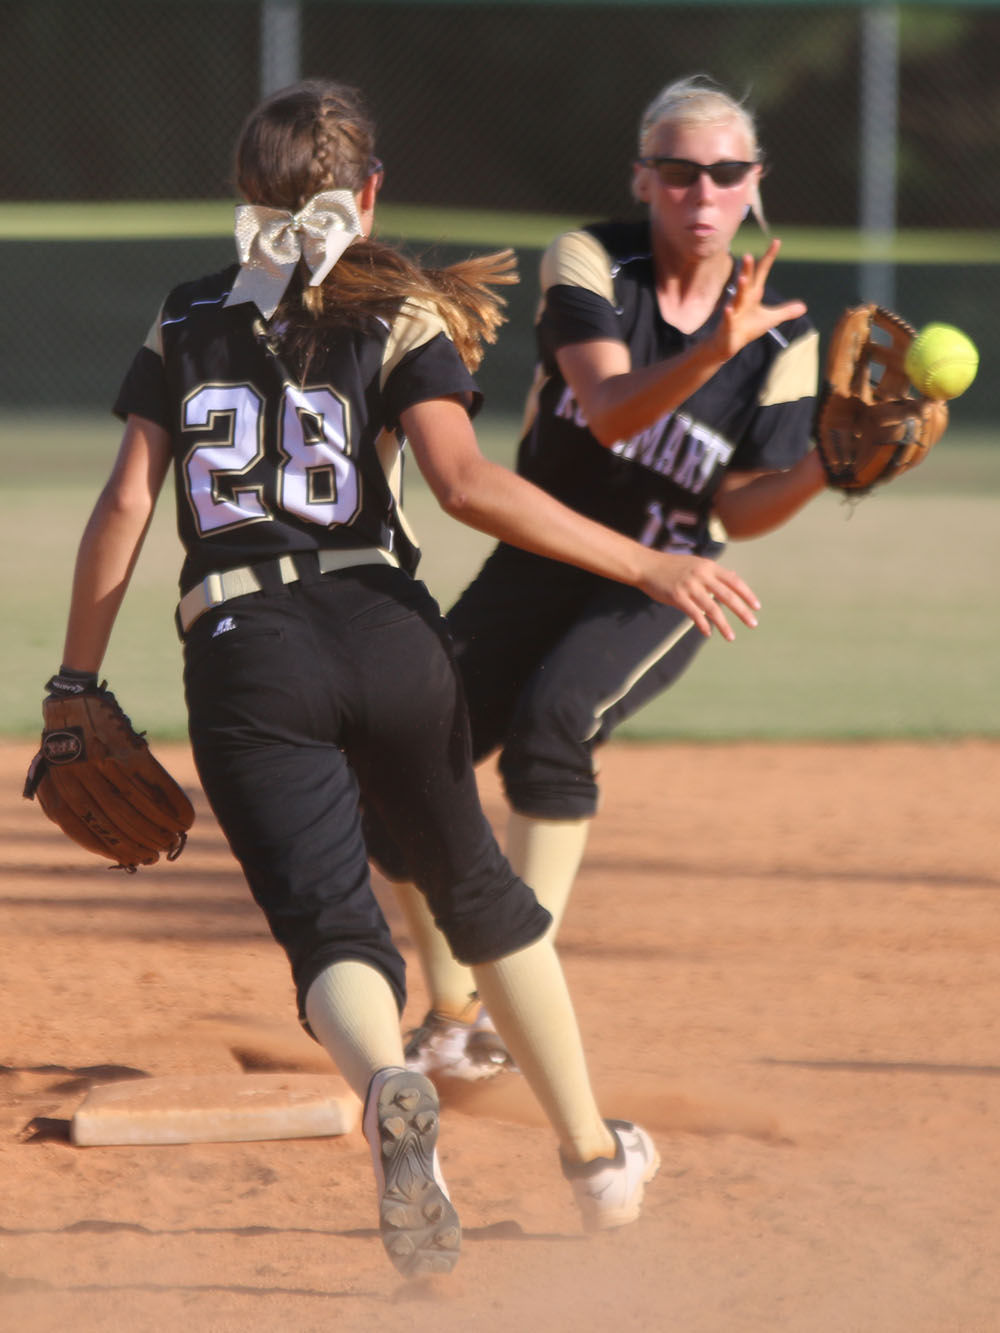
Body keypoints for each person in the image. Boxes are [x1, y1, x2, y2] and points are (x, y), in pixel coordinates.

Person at [48, 79, 772, 1278]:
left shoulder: (185, 316)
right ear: (369, 192)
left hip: (244, 651)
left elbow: (128, 502)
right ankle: (596, 1161)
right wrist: (647, 560)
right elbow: (468, 487)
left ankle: (391, 1081)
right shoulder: (404, 315)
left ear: (244, 195)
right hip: (390, 630)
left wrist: (76, 680)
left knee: (331, 924)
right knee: (479, 889)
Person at [372, 74, 826, 1082]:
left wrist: (823, 467)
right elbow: (612, 407)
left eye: (723, 173)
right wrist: (714, 348)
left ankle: (499, 999)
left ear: (753, 184)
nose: (700, 193)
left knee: (555, 720)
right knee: (397, 762)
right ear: (643, 177)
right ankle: (455, 1014)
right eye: (677, 171)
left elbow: (741, 507)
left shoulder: (786, 342)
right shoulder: (591, 259)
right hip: (543, 550)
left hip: (661, 583)